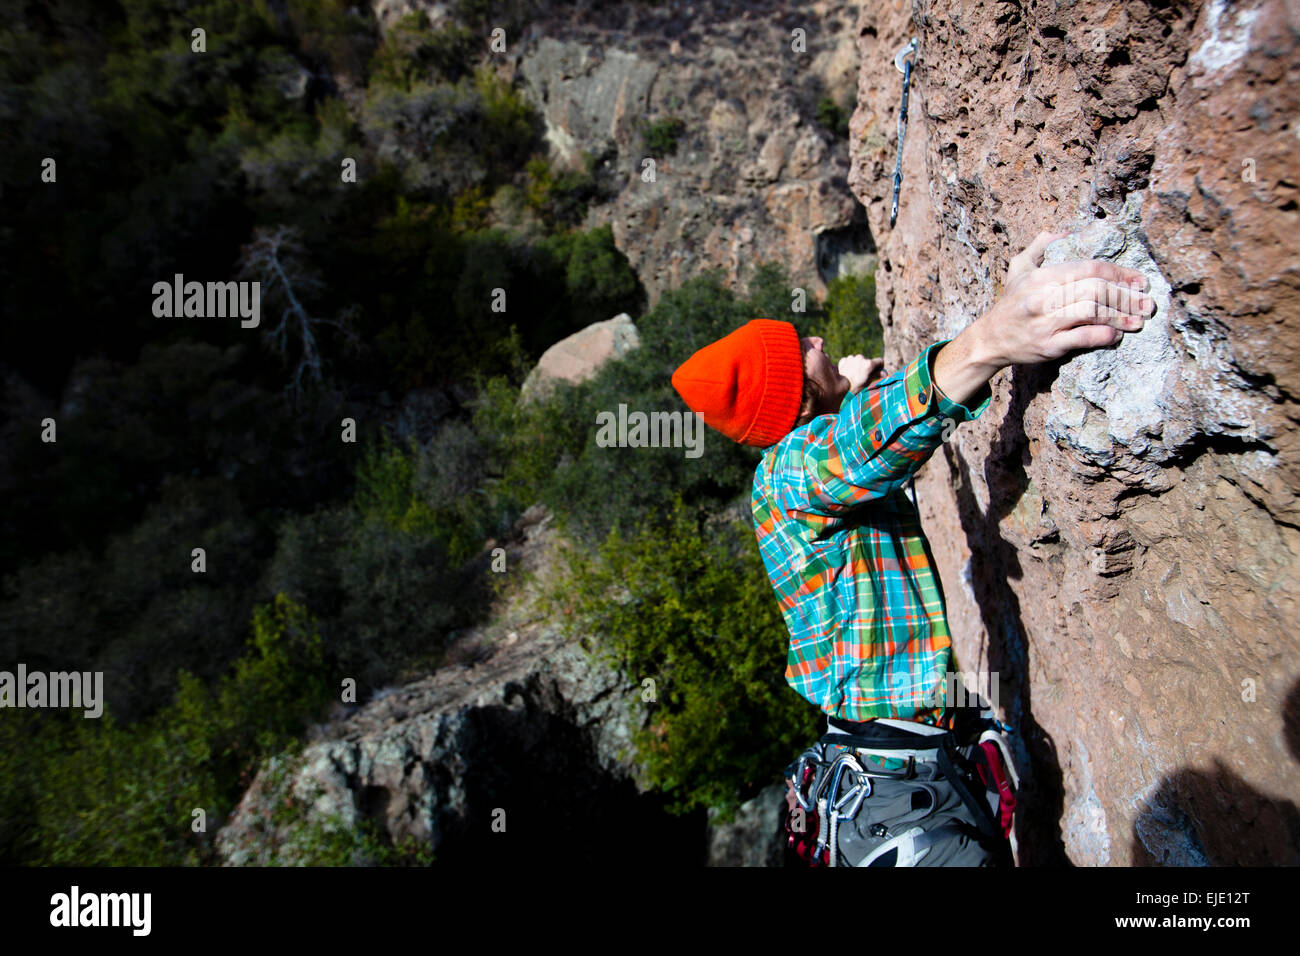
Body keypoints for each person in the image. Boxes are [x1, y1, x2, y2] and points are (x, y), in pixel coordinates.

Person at [670, 232, 1153, 738]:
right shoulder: (788, 473)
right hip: (900, 754)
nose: (816, 340)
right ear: (798, 396)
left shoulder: (799, 463)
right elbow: (860, 446)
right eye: (800, 347)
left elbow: (853, 434)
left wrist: (848, 391)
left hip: (906, 737)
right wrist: (995, 337)